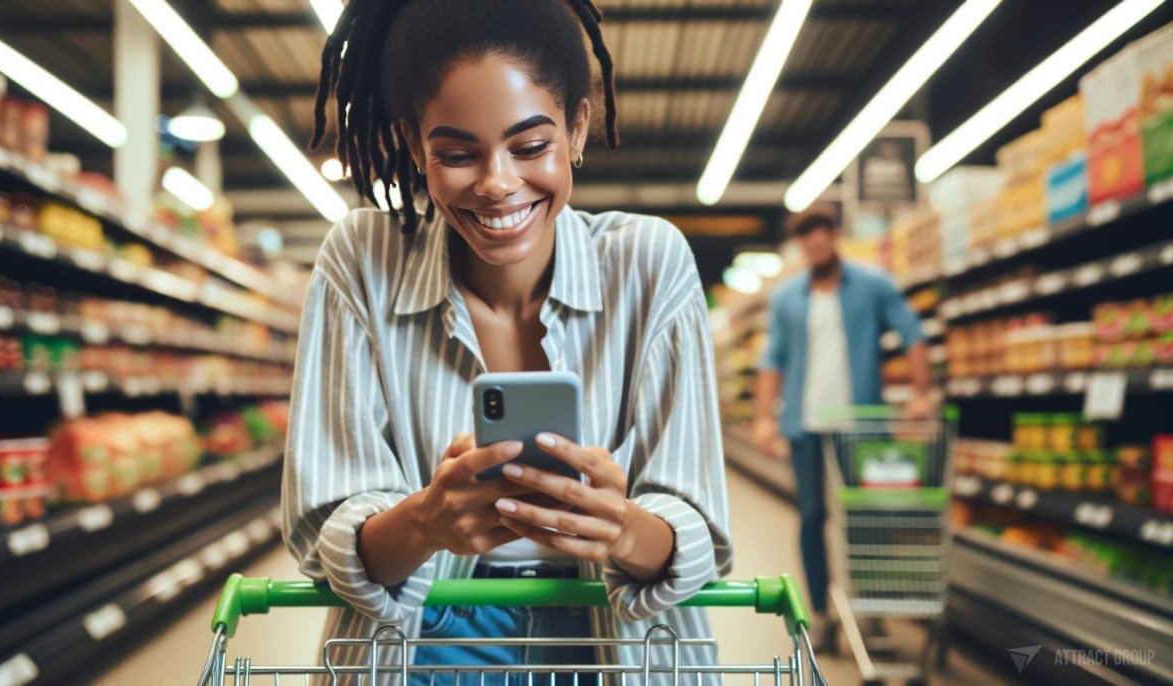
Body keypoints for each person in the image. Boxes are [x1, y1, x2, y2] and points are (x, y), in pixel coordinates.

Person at [282, 1, 733, 684]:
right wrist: (425, 523)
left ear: (577, 128)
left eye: (530, 146)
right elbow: (324, 534)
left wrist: (623, 530)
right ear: (413, 145)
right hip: (418, 642)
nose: (496, 184)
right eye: (458, 154)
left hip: (614, 643)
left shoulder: (650, 263)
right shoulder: (360, 261)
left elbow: (698, 530)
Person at [749, 203, 933, 632]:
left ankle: (871, 610)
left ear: (835, 236)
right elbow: (772, 359)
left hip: (861, 425)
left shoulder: (871, 285)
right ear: (800, 246)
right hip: (805, 425)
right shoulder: (787, 298)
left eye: (823, 233)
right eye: (806, 237)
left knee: (867, 519)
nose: (816, 243)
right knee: (812, 516)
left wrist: (923, 393)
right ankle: (820, 611)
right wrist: (763, 418)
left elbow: (913, 333)